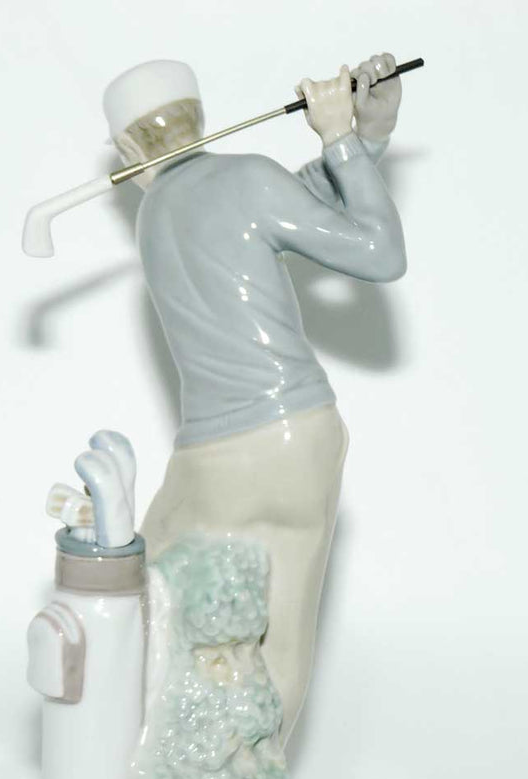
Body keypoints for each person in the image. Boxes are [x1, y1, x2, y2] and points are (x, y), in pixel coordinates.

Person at [104, 55, 406, 743]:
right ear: (200, 116)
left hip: (211, 458)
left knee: (146, 589)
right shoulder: (246, 180)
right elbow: (379, 251)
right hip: (291, 435)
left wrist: (363, 139)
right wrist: (343, 139)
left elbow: (282, 206)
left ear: (126, 149)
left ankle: (165, 765)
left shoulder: (155, 213)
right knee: (283, 630)